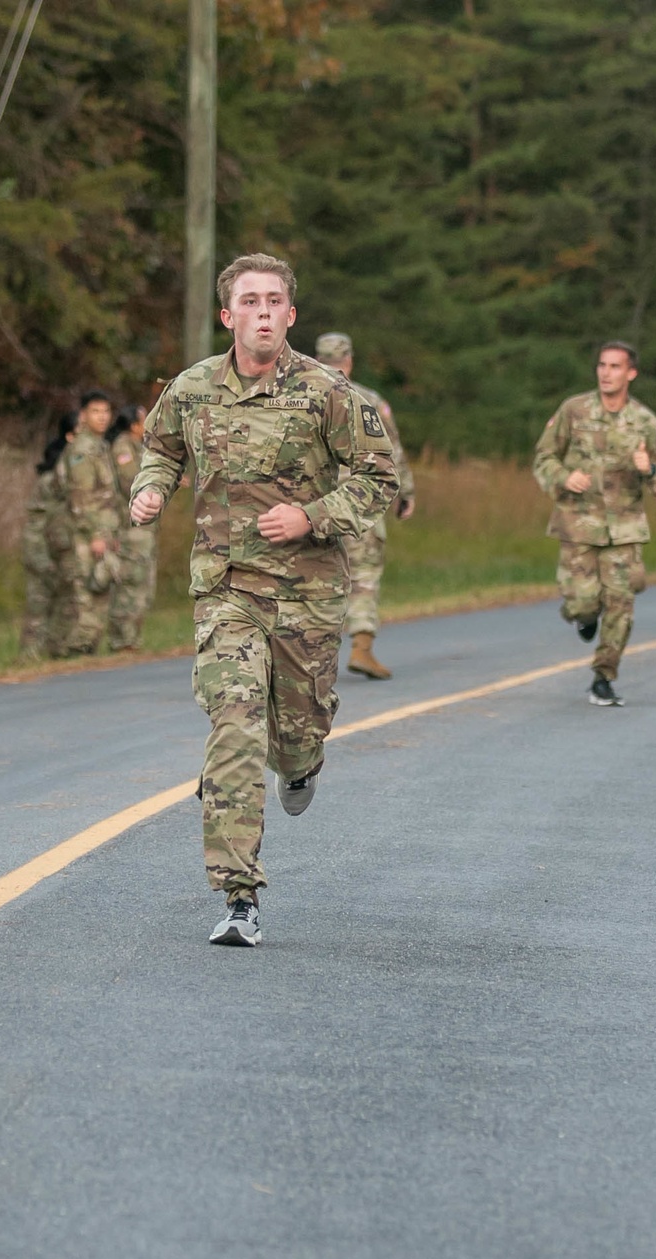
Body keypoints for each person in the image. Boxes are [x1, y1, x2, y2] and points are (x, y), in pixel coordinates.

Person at [130, 252, 399, 946]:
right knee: (236, 728)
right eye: (249, 301)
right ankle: (239, 895)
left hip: (307, 597)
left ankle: (304, 763)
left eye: (274, 301)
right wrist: (151, 489)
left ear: (291, 314)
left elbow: (378, 478)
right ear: (228, 316)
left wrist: (312, 516)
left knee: (295, 735)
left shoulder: (328, 392)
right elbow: (159, 448)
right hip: (226, 591)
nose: (263, 313)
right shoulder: (192, 389)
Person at [533, 341, 656, 707]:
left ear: (631, 374)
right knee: (582, 603)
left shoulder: (644, 421)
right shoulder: (574, 410)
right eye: (602, 365)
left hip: (624, 529)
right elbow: (544, 456)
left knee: (621, 605)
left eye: (615, 367)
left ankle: (603, 678)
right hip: (578, 523)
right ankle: (583, 617)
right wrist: (563, 477)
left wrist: (651, 469)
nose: (606, 373)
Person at [314, 332, 416, 680]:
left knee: (313, 578)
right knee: (363, 576)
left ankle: (308, 656)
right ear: (349, 361)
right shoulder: (368, 399)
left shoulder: (297, 397)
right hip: (359, 502)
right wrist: (405, 493)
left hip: (311, 506)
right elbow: (391, 452)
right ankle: (361, 647)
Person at [45, 389, 123, 658]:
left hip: (102, 530)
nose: (102, 417)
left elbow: (107, 498)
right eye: (95, 412)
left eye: (105, 412)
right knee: (86, 596)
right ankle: (72, 654)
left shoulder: (101, 447)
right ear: (83, 415)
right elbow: (81, 498)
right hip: (84, 533)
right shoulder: (82, 449)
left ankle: (81, 652)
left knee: (99, 590)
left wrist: (110, 532)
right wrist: (96, 534)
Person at [19, 412, 76, 658]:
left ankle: (57, 651)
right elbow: (36, 521)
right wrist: (39, 556)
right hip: (42, 547)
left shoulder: (75, 471)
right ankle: (29, 655)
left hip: (63, 547)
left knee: (67, 601)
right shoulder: (51, 479)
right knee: (39, 604)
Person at [106, 404, 157, 651]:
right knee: (129, 583)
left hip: (143, 529)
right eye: (143, 419)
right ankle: (122, 640)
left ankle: (132, 640)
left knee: (141, 585)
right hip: (129, 529)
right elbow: (130, 481)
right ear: (133, 424)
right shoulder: (123, 446)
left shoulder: (140, 446)